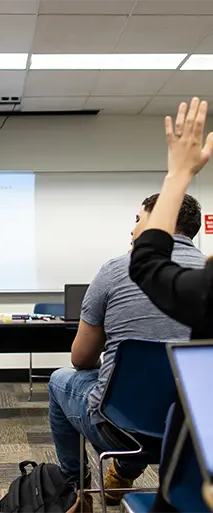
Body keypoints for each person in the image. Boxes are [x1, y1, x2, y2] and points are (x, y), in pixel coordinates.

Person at [48, 191, 205, 512]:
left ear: (157, 222)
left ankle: (75, 491)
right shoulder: (208, 274)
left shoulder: (116, 269)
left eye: (138, 220)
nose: (132, 230)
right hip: (198, 431)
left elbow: (81, 359)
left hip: (120, 429)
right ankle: (122, 472)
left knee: (60, 380)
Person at [130, 98, 213, 513]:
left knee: (65, 383)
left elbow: (147, 264)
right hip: (167, 416)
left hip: (195, 473)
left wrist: (179, 173)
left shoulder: (204, 284)